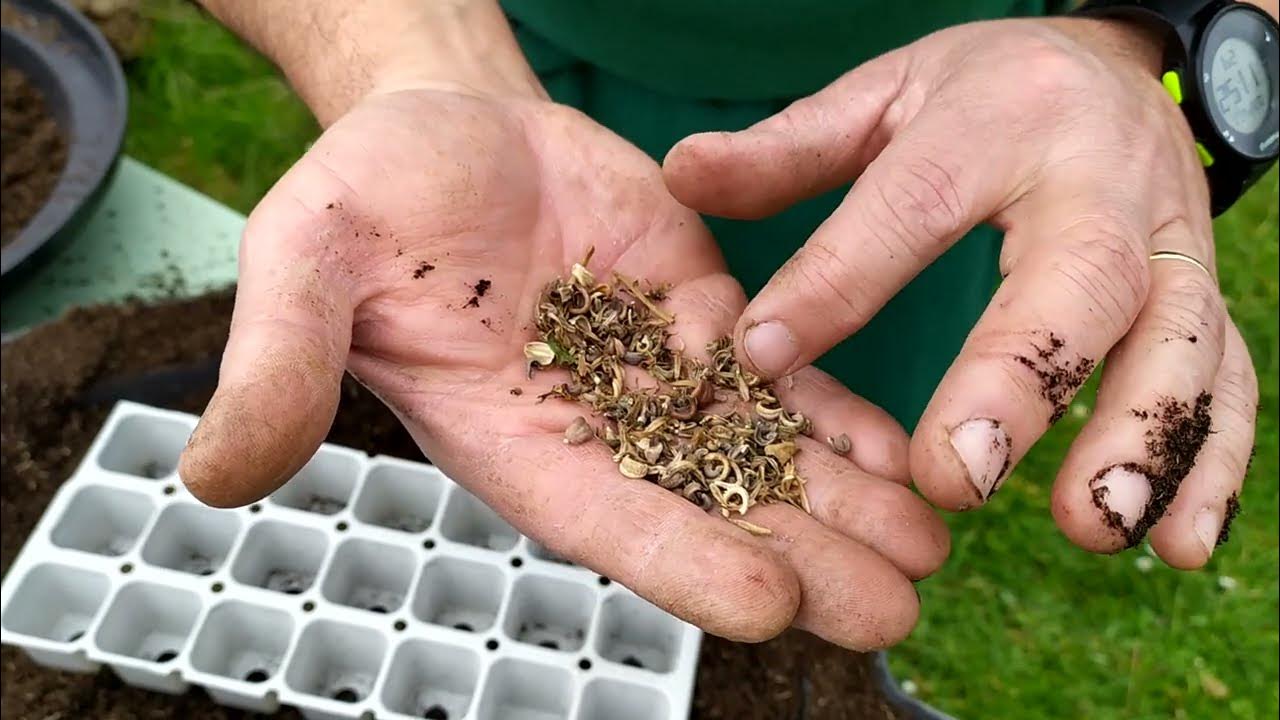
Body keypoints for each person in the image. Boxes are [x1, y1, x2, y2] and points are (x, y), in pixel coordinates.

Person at [179, 0, 1272, 650]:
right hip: (499, 86)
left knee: (853, 476)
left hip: (961, 125)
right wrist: (415, 63)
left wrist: (1146, 49)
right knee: (518, 485)